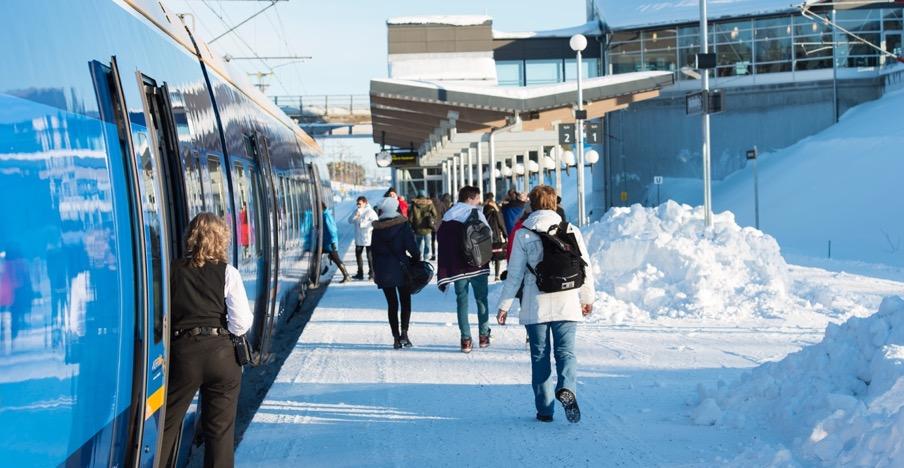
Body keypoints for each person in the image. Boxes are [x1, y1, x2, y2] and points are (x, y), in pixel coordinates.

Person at [496, 185, 595, 424]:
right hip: (567, 301)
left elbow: (515, 275)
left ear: (532, 204)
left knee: (540, 356)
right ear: (553, 203)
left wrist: (504, 305)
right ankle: (567, 387)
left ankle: (545, 410)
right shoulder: (570, 229)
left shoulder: (524, 233)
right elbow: (585, 268)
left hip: (535, 303)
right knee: (566, 352)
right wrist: (587, 299)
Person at [161, 213, 254, 467]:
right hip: (222, 355)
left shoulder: (173, 271)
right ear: (221, 239)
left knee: (166, 425)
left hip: (184, 355)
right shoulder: (228, 273)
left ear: (191, 237)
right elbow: (241, 323)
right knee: (220, 433)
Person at [437, 186, 491, 353]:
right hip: (477, 264)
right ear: (471, 198)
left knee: (462, 302)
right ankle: (483, 336)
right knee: (481, 299)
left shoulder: (448, 215)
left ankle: (465, 340)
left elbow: (441, 240)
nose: (478, 202)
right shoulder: (476, 213)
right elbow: (487, 233)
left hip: (458, 268)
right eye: (477, 198)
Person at [371, 197, 420, 349]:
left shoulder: (377, 229)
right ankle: (404, 334)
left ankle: (396, 338)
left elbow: (373, 251)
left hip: (383, 271)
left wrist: (374, 271)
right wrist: (416, 259)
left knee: (392, 304)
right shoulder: (403, 225)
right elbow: (412, 246)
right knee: (405, 302)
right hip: (402, 269)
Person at [347, 196, 378, 280]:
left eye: (359, 203)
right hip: (358, 238)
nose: (358, 205)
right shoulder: (356, 211)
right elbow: (349, 221)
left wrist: (363, 224)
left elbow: (375, 222)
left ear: (365, 203)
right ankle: (360, 273)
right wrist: (355, 216)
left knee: (369, 256)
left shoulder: (370, 211)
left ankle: (372, 273)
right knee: (358, 255)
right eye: (357, 203)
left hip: (368, 237)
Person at [321, 202, 350, 283]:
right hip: (328, 242)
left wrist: (333, 242)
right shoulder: (325, 214)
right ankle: (323, 269)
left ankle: (346, 275)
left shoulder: (326, 216)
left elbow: (332, 230)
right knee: (334, 258)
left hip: (330, 242)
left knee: (336, 259)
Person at [483, 192, 507, 281]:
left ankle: (486, 274)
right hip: (496, 234)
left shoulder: (485, 208)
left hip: (487, 235)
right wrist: (505, 234)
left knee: (487, 255)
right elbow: (501, 222)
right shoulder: (496, 209)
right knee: (497, 255)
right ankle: (496, 275)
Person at [409, 190, 438, 261]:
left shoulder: (414, 204)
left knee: (418, 245)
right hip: (427, 228)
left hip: (417, 228)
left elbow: (410, 218)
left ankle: (419, 259)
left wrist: (412, 227)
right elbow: (435, 215)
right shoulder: (430, 203)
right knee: (427, 245)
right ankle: (426, 260)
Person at [429, 192, 447, 261]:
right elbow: (445, 214)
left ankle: (433, 255)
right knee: (440, 241)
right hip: (440, 224)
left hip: (431, 224)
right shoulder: (441, 203)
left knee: (432, 240)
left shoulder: (429, 203)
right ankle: (441, 254)